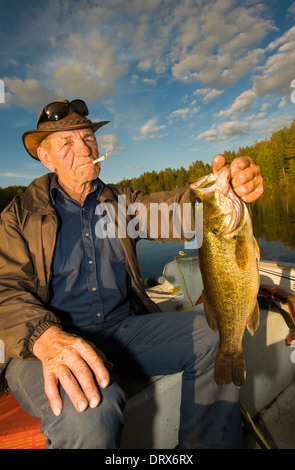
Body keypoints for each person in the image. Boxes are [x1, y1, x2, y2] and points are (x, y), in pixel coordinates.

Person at [0, 99, 263, 449]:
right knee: (89, 409)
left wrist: (222, 196)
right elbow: (5, 291)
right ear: (46, 158)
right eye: (66, 142)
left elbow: (175, 213)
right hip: (41, 346)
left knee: (212, 337)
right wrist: (47, 338)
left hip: (122, 330)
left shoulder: (119, 204)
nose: (83, 147)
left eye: (88, 138)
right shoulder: (17, 218)